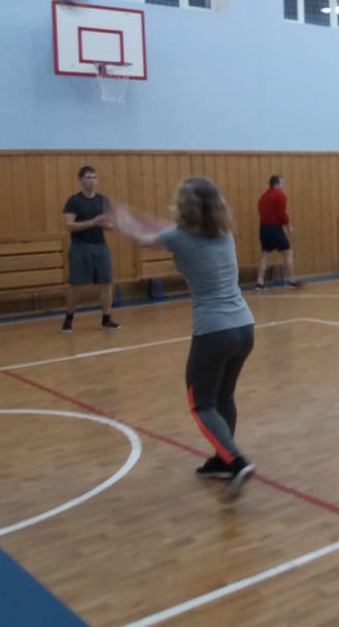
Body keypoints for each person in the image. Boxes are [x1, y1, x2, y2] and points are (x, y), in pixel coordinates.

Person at [108, 177, 256, 498]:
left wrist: (121, 219)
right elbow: (163, 229)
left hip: (214, 332)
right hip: (245, 327)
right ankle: (222, 459)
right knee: (224, 398)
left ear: (185, 207)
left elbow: (145, 238)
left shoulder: (179, 238)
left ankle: (235, 461)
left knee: (201, 404)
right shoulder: (223, 233)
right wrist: (137, 213)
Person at [61, 165, 120, 332]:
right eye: (88, 178)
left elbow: (111, 226)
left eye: (94, 177)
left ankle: (106, 319)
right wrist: (93, 222)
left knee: (106, 282)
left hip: (100, 246)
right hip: (79, 247)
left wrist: (105, 224)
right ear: (81, 180)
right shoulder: (74, 201)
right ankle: (69, 318)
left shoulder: (103, 200)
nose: (92, 181)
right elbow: (69, 225)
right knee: (76, 284)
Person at [255, 175, 304, 289]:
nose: (283, 186)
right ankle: (292, 279)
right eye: (282, 183)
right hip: (275, 229)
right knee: (288, 252)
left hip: (263, 229)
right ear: (276, 184)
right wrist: (288, 226)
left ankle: (259, 282)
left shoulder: (263, 197)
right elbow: (282, 214)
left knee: (265, 255)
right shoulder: (280, 195)